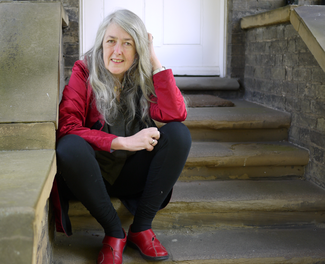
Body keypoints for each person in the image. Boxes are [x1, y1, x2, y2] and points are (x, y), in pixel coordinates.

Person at [51, 9, 191, 264]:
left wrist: (154, 61)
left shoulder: (142, 74)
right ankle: (114, 232)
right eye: (111, 41)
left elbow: (176, 113)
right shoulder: (84, 71)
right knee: (69, 146)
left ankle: (141, 228)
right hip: (90, 177)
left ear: (138, 49)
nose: (117, 51)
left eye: (128, 43)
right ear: (101, 43)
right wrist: (122, 142)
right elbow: (67, 126)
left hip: (130, 174)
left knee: (178, 135)